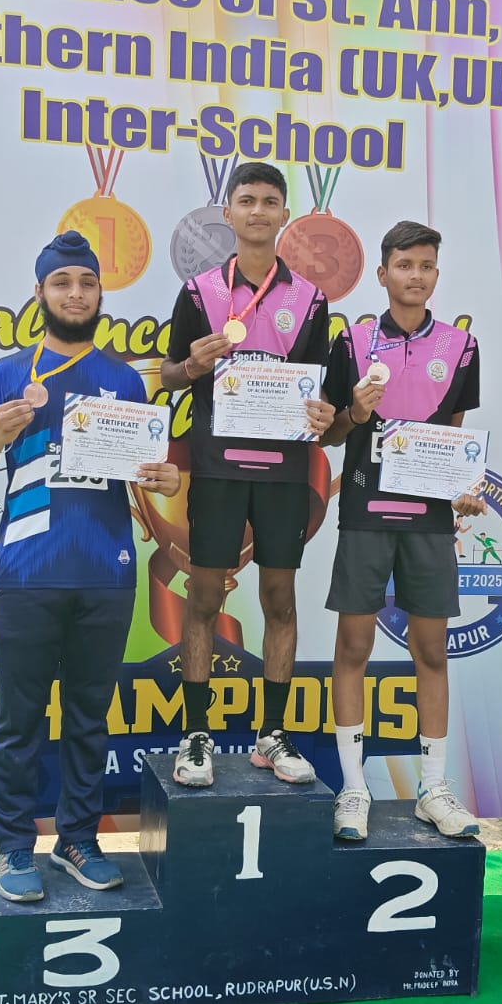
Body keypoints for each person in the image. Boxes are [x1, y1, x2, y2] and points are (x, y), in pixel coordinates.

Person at [0, 231, 180, 903]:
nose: (75, 294)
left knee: (89, 719)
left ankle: (79, 839)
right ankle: (13, 847)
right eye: (62, 283)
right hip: (26, 572)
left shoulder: (124, 379)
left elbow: (140, 471)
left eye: (86, 283)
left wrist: (166, 479)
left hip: (107, 571)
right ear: (40, 293)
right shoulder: (7, 374)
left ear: (100, 293)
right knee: (17, 721)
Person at [160, 161, 334, 788]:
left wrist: (324, 412)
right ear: (228, 212)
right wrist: (192, 366)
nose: (258, 211)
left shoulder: (311, 300)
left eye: (269, 201)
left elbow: (321, 396)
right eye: (247, 200)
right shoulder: (199, 292)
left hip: (285, 473)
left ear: (285, 214)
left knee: (280, 599)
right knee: (205, 597)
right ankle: (195, 737)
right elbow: (169, 374)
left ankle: (273, 735)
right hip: (218, 469)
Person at [321, 220, 485, 842]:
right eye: (405, 265)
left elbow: (454, 434)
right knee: (353, 648)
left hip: (429, 522)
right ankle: (353, 788)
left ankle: (432, 789)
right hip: (366, 512)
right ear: (383, 273)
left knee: (432, 652)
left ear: (436, 273)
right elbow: (330, 432)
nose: (416, 275)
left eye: (426, 265)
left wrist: (460, 483)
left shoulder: (461, 346)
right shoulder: (353, 341)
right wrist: (355, 411)